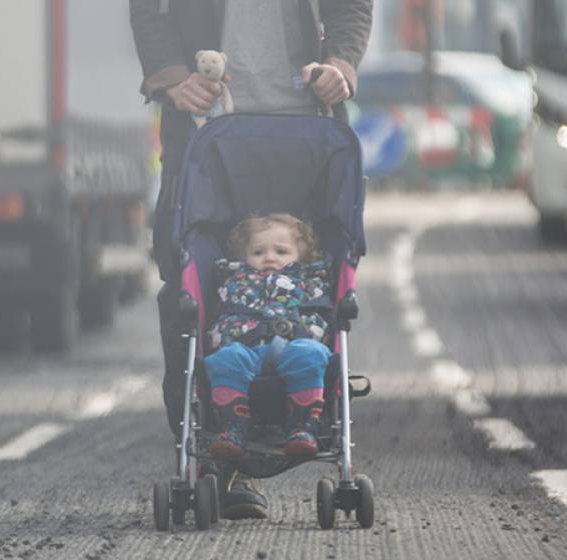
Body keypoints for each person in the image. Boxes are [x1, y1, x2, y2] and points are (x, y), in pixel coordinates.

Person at [130, 0, 373, 520]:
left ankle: (295, 424)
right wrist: (173, 79)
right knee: (188, 295)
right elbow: (149, 11)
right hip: (205, 132)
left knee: (309, 285)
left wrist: (342, 65)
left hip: (310, 132)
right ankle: (219, 463)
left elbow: (351, 7)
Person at [205, 214, 332, 459]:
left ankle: (303, 427)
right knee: (225, 358)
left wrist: (310, 332)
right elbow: (221, 318)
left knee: (311, 354)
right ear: (243, 257)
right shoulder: (233, 281)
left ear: (301, 256)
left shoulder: (310, 282)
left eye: (282, 251)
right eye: (258, 252)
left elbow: (320, 315)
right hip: (245, 346)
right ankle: (233, 428)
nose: (269, 258)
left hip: (294, 344)